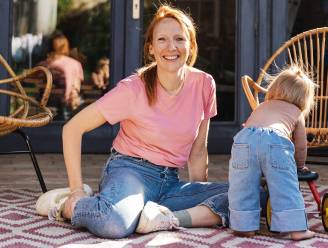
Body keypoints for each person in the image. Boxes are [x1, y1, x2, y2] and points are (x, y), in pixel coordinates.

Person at [36, 5, 229, 238]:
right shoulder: (133, 89)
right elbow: (72, 128)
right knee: (114, 224)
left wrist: (200, 195)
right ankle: (69, 205)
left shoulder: (204, 84)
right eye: (162, 40)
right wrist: (76, 189)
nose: (171, 47)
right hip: (129, 171)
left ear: (191, 45)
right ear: (151, 49)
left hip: (170, 182)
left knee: (248, 195)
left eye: (179, 39)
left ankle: (168, 218)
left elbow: (198, 152)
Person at [228, 65, 316, 240]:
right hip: (275, 140)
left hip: (244, 138)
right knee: (285, 186)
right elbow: (300, 145)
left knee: (242, 184)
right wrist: (299, 166)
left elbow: (254, 134)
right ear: (304, 99)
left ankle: (243, 226)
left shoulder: (262, 106)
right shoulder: (296, 112)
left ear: (274, 88)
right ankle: (296, 229)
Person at [43, 32, 84, 110]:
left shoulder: (49, 63)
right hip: (63, 99)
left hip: (53, 100)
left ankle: (72, 98)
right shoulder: (75, 63)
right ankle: (72, 99)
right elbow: (77, 84)